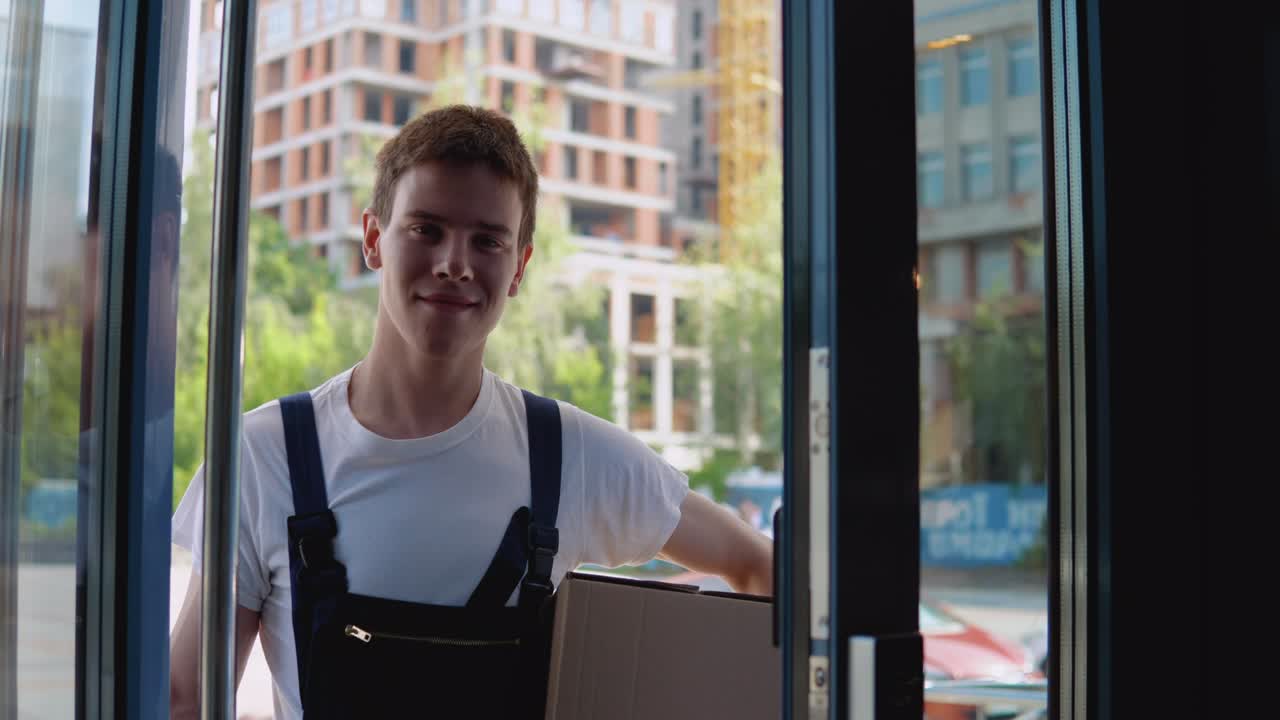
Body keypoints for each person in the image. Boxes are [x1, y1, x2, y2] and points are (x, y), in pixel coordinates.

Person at [168, 105, 772, 719]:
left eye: (487, 240)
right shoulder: (265, 455)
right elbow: (186, 698)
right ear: (373, 240)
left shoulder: (568, 455)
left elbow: (757, 566)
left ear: (519, 267)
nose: (454, 263)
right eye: (426, 229)